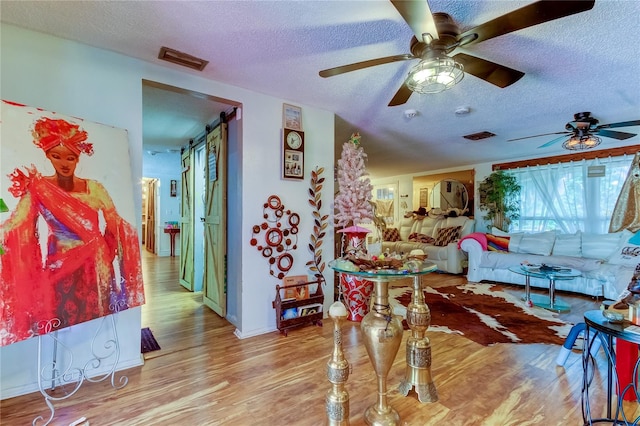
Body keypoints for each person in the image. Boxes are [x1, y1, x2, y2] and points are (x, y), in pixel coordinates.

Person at [0, 116, 144, 346]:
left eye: (71, 157)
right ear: (47, 156)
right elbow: (17, 224)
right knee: (60, 321)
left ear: (78, 158)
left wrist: (107, 251)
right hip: (59, 266)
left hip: (96, 265)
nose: (64, 163)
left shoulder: (94, 188)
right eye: (57, 156)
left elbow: (115, 223)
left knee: (98, 313)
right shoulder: (39, 188)